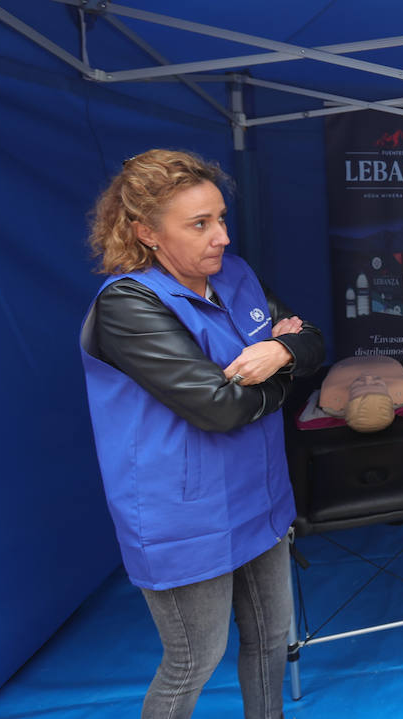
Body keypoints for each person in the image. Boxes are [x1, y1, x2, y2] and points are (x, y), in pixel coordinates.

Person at [79, 149, 325, 718]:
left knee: (270, 640)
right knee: (194, 658)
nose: (220, 236)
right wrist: (278, 364)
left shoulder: (234, 275)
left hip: (259, 496)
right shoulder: (128, 305)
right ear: (146, 232)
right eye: (199, 224)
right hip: (184, 516)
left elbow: (312, 342)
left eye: (219, 218)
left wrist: (281, 350)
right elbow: (217, 407)